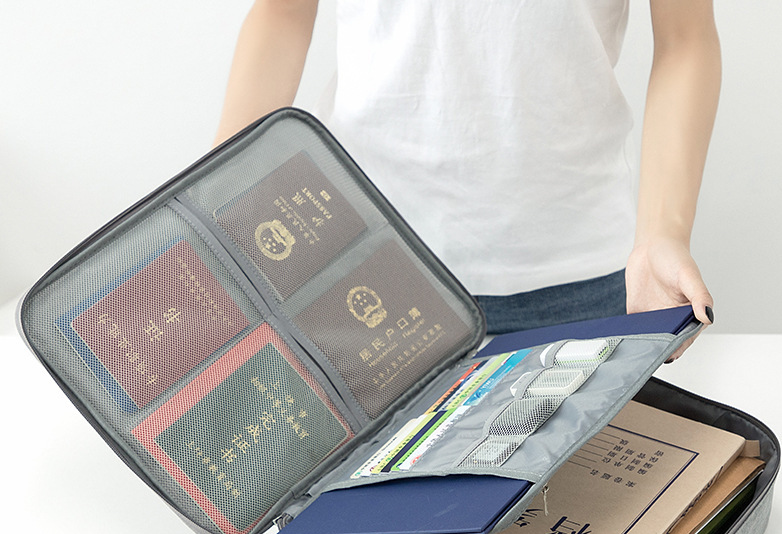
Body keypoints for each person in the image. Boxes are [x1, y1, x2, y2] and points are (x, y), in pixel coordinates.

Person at [213, 0, 719, 354]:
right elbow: (283, 11)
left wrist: (663, 235)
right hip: (357, 261)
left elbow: (685, 37)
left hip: (579, 276)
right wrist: (215, 199)